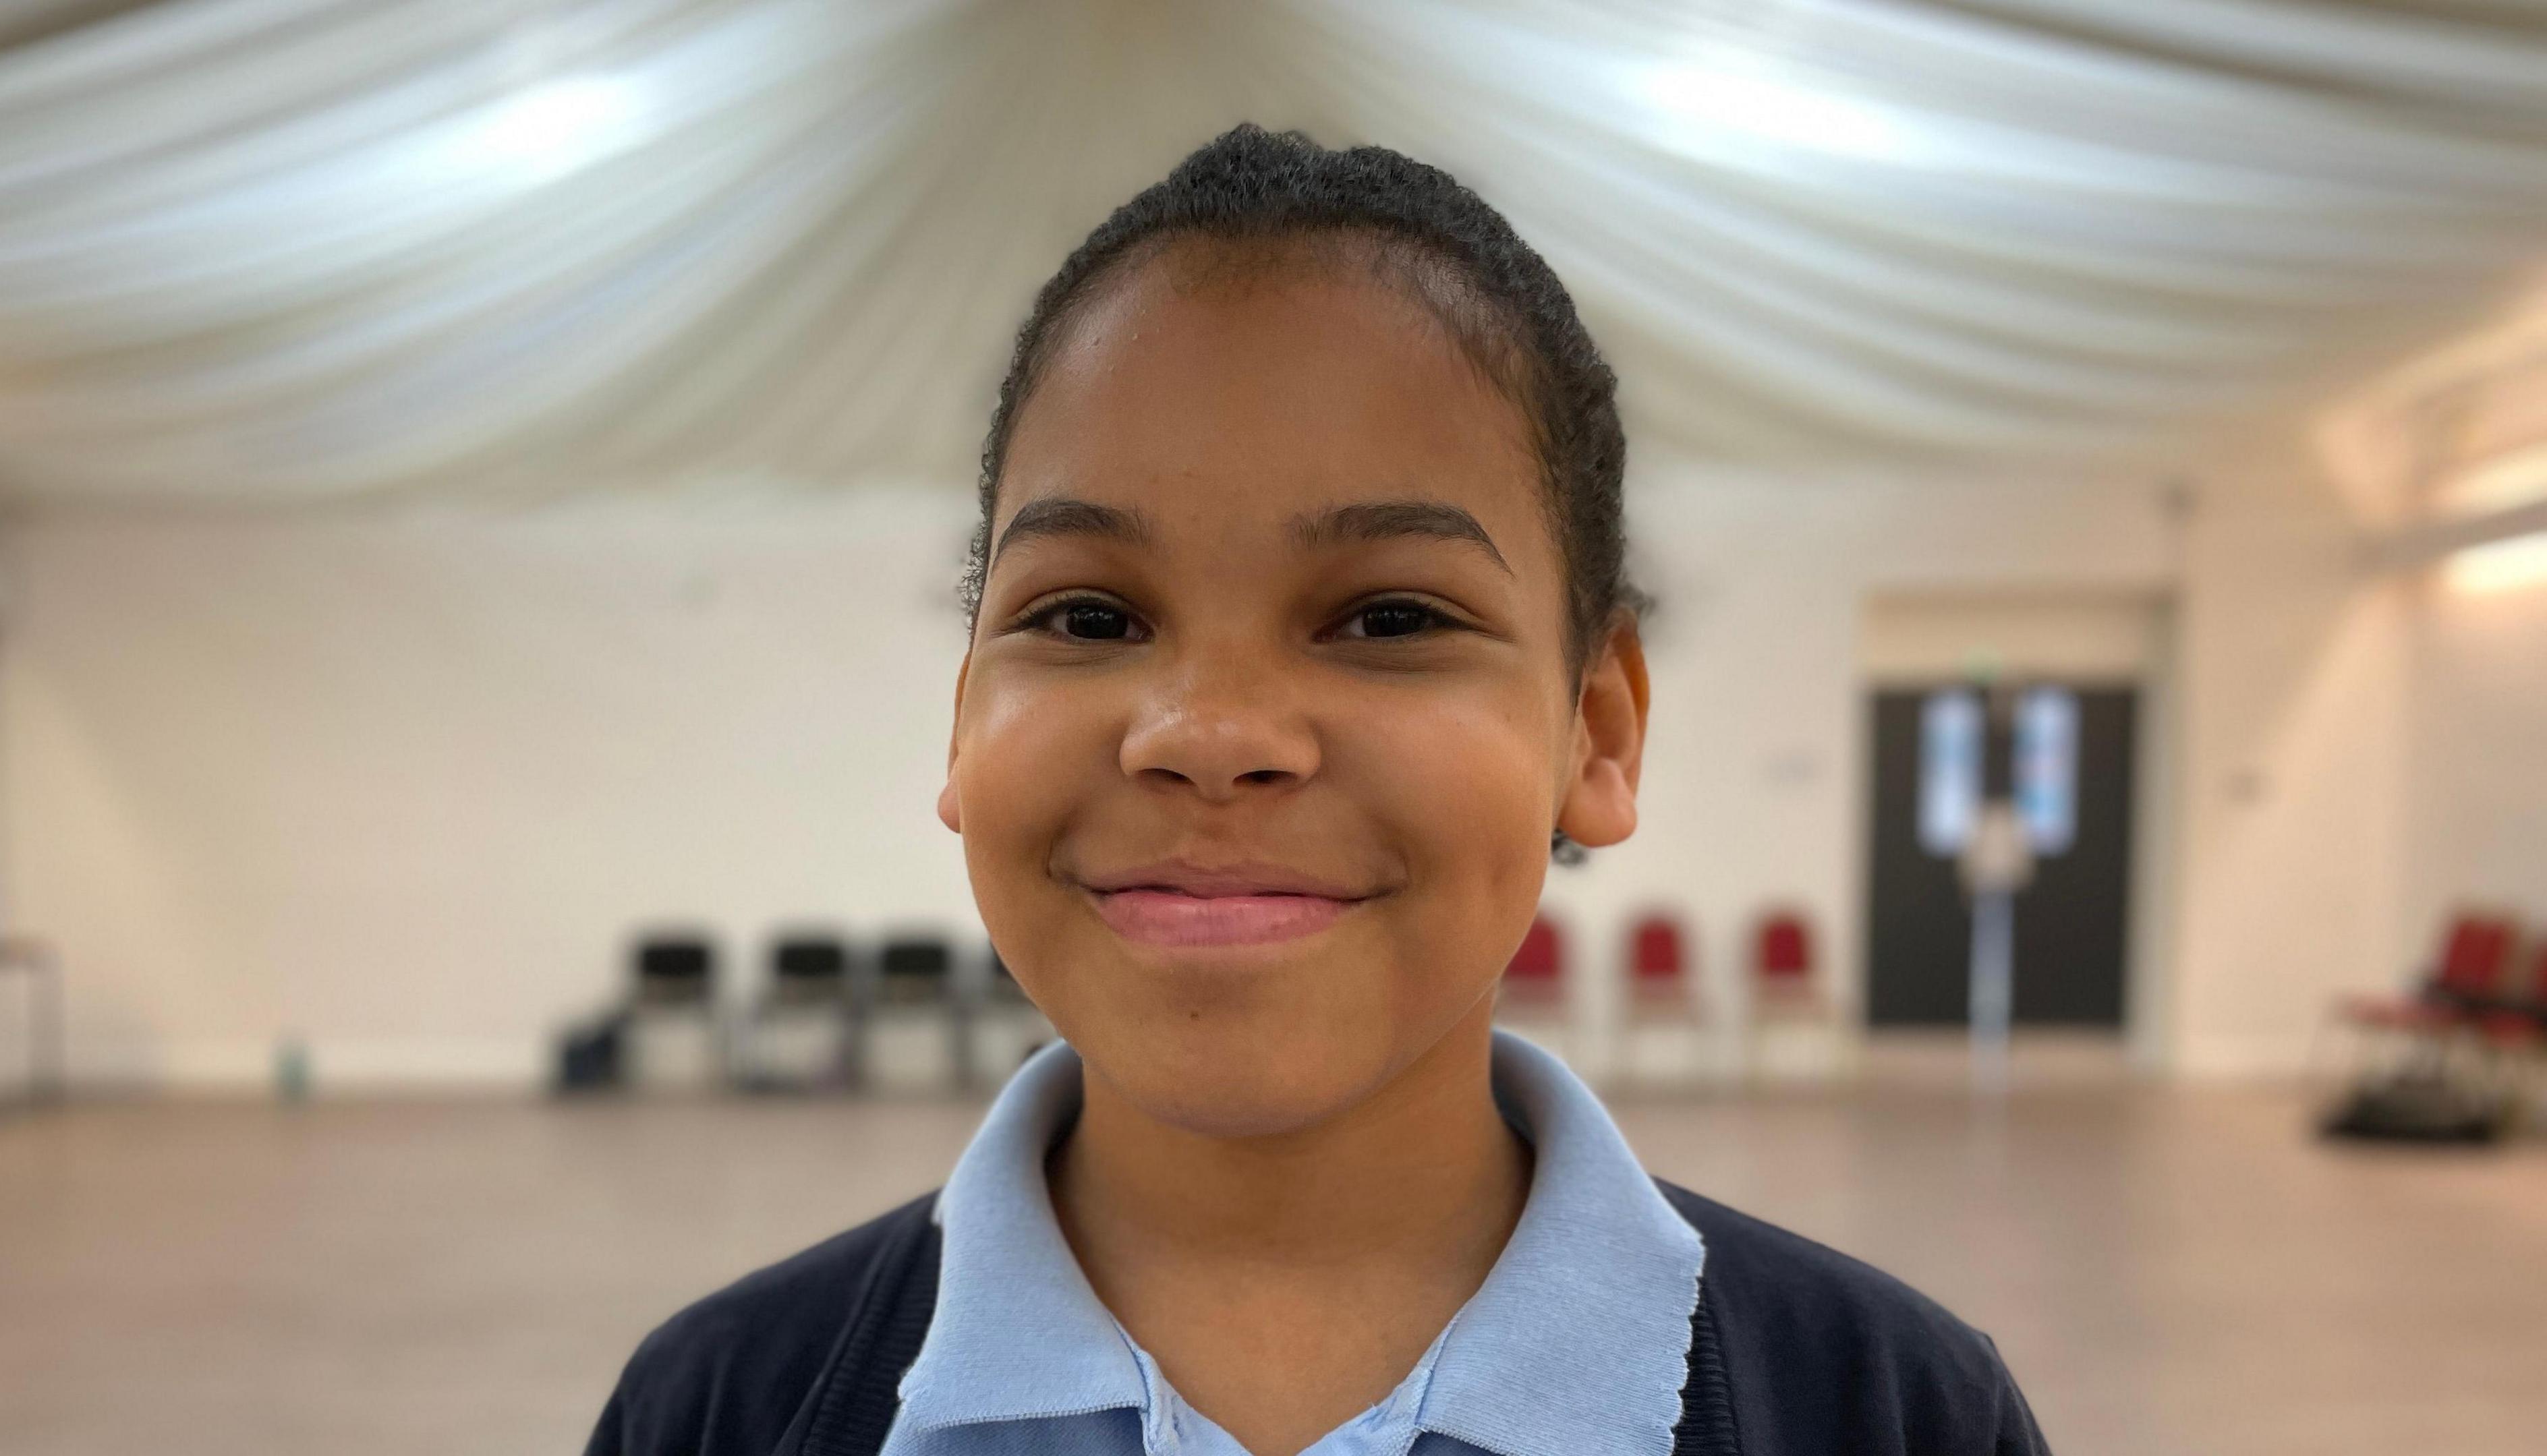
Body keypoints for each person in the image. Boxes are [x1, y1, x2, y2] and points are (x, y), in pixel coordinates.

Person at [585, 125, 2049, 1456]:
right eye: (1090, 616)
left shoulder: (1896, 1414)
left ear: (1595, 734)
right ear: (966, 720)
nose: (1209, 734)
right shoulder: (717, 1413)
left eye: (1389, 618)